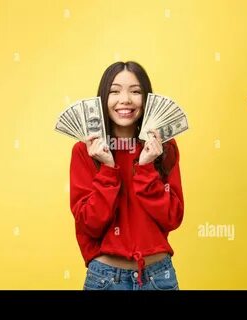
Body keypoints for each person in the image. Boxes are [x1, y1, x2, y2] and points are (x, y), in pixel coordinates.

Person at [69, 61, 184, 290]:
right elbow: (89, 224)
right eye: (115, 91)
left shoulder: (164, 148)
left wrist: (146, 168)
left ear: (147, 99)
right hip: (105, 280)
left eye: (135, 91)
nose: (125, 100)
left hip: (159, 277)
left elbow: (172, 217)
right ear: (103, 98)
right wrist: (108, 169)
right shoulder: (84, 151)